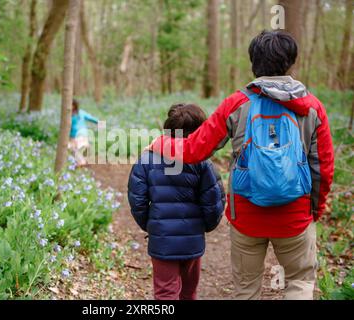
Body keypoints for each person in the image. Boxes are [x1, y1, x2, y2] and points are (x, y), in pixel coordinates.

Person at [149, 30, 334, 300]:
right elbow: (323, 166)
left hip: (247, 216)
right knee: (299, 283)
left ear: (253, 62)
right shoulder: (312, 107)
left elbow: (194, 150)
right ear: (291, 63)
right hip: (295, 216)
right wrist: (315, 208)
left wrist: (160, 144)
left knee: (246, 289)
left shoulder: (237, 104)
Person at [128, 103, 226, 300]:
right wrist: (203, 227)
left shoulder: (147, 159)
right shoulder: (203, 162)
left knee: (165, 293)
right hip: (192, 240)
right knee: (189, 292)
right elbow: (214, 201)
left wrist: (152, 225)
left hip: (162, 241)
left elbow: (137, 200)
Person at [69, 99, 99, 166]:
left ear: (74, 106)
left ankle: (81, 161)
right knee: (74, 148)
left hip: (78, 134)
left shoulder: (76, 113)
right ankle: (82, 160)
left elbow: (91, 118)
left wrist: (99, 122)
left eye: (71, 105)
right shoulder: (73, 114)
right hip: (76, 135)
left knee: (74, 148)